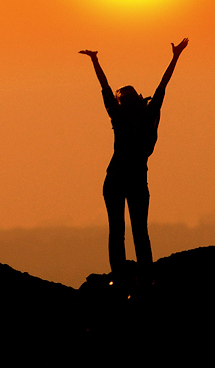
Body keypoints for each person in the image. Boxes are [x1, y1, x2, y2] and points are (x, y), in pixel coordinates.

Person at [79, 38, 188, 282]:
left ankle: (121, 275)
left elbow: (105, 89)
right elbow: (163, 85)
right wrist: (175, 57)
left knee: (117, 232)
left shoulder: (118, 116)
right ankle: (145, 277)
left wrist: (95, 61)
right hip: (135, 181)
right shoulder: (148, 114)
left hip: (116, 179)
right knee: (139, 231)